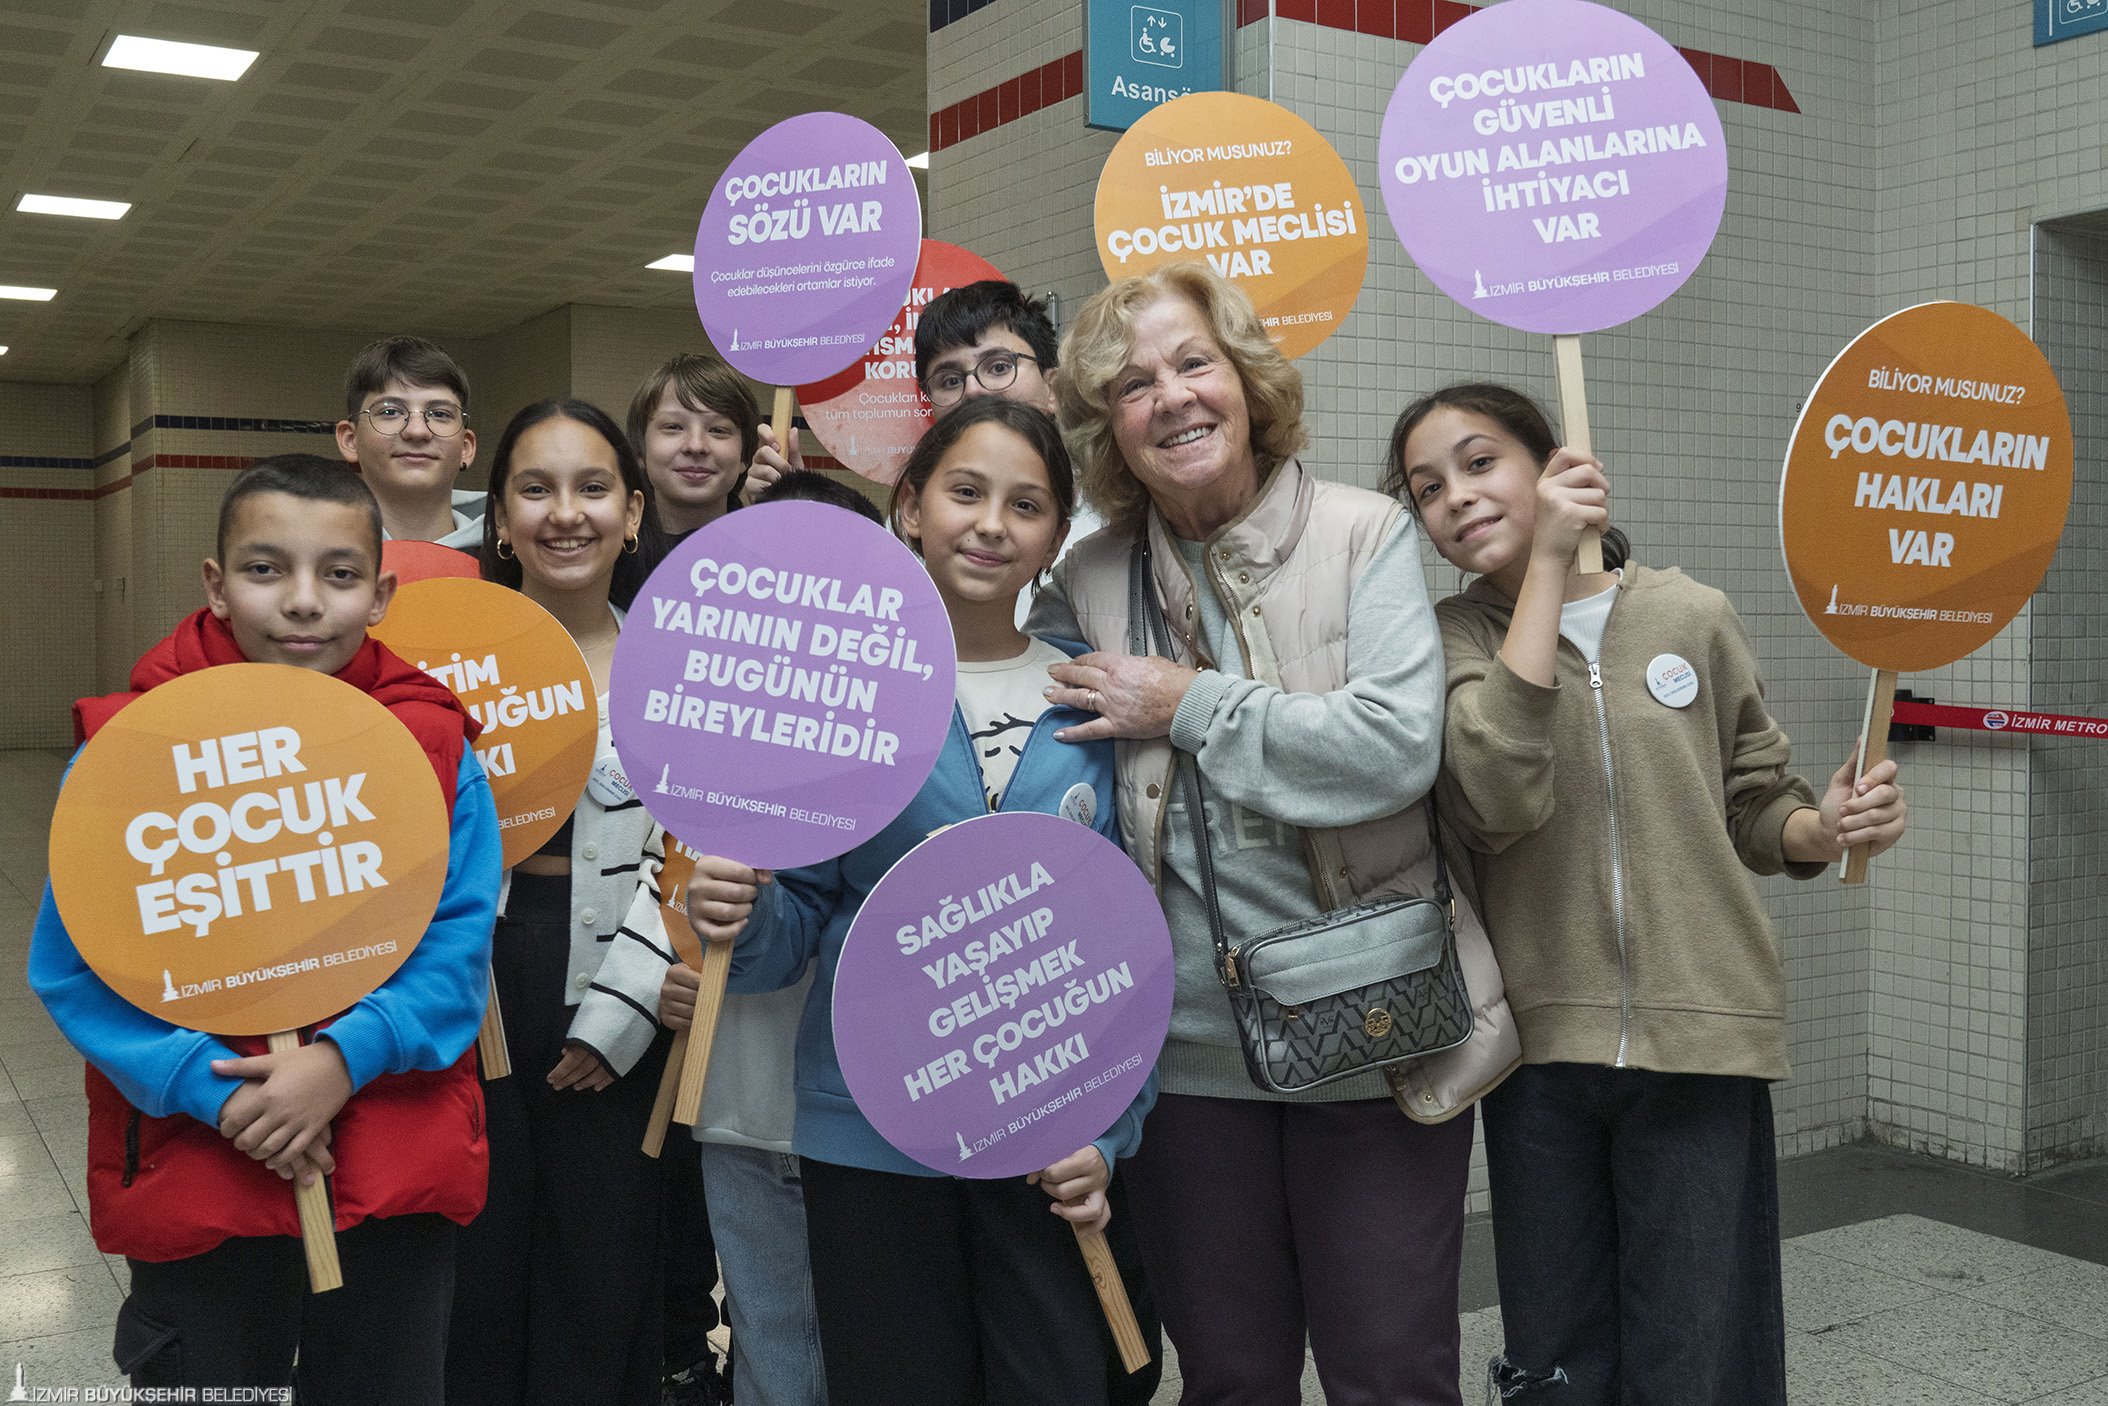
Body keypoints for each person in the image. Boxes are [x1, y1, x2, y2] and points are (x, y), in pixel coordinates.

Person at [1026, 262, 1518, 1406]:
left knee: (1388, 1370)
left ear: (1245, 381)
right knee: (1232, 1376)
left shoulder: (1363, 532)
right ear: (1111, 425)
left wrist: (1184, 704)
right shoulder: (1086, 578)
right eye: (1134, 383)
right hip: (1183, 1061)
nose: (1173, 397)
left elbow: (1396, 745)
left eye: (1194, 362)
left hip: (1375, 1035)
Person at [1386, 383, 1909, 1405]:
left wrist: (1821, 825)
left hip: (1702, 1033)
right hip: (1538, 1054)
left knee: (1696, 1348)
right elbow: (1492, 792)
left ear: (1555, 462)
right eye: (1425, 488)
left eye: (1479, 460)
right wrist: (1542, 570)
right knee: (1558, 1352)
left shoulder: (1689, 615)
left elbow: (1754, 798)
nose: (1454, 495)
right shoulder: (1447, 638)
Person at [675, 397, 1153, 1406]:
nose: (989, 523)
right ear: (908, 507)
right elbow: (785, 934)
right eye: (964, 492)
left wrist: (1103, 1133)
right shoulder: (842, 697)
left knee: (1051, 1381)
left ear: (1053, 535)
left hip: (1043, 1125)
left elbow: (1129, 946)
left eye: (1024, 504)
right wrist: (738, 908)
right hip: (870, 1128)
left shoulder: (1094, 700)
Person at [29, 454, 501, 1403]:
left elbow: (457, 947)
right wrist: (220, 1095)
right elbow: (76, 969)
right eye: (263, 569)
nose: (300, 602)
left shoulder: (434, 749)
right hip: (200, 1170)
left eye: (337, 574)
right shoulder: (131, 751)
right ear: (215, 583)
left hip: (390, 1171)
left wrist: (340, 1061)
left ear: (381, 592)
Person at [567, 469, 884, 1406]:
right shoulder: (700, 721)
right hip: (739, 1092)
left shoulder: (910, 732)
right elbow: (663, 867)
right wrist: (674, 962)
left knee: (883, 1346)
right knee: (773, 1349)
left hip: (874, 1113)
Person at [446, 401, 668, 1406]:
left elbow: (703, 849)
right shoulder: (440, 665)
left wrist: (623, 1005)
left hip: (623, 973)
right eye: (535, 488)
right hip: (471, 978)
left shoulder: (681, 663)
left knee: (601, 1265)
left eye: (592, 488)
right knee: (476, 1260)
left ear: (632, 511)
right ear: (498, 517)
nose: (563, 513)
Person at [620, 352, 803, 587]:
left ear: (744, 457)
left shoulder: (772, 556)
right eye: (674, 427)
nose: (696, 446)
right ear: (639, 450)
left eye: (718, 430)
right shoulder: (608, 561)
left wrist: (798, 521)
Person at [335, 335, 484, 548]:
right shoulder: (312, 561)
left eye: (440, 414)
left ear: (466, 448)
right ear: (351, 440)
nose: (417, 431)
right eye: (390, 411)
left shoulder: (516, 567)